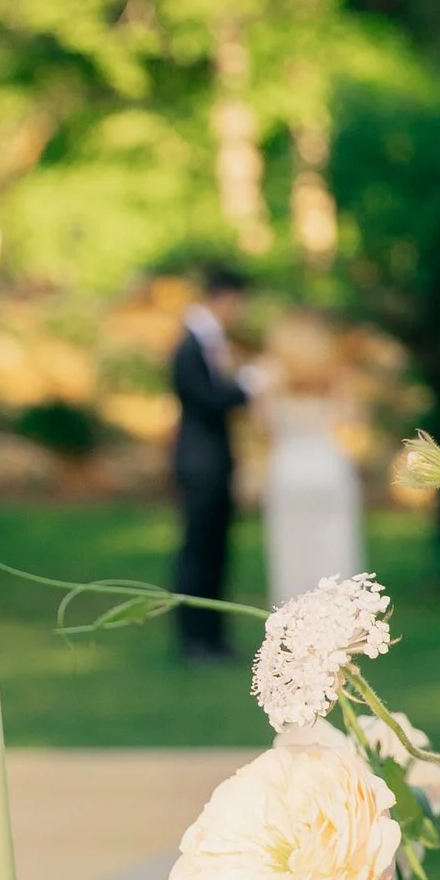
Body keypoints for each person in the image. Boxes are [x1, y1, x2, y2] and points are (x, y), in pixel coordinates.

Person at [169, 264, 252, 661]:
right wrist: (249, 386)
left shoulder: (206, 341)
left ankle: (213, 636)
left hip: (215, 462)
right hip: (200, 463)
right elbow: (206, 399)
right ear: (225, 298)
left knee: (216, 552)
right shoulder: (188, 345)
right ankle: (194, 638)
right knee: (198, 552)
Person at [255, 310, 367, 604]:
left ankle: (295, 618)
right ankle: (339, 615)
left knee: (291, 550)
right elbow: (352, 420)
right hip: (327, 463)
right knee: (335, 547)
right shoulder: (335, 374)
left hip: (288, 466)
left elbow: (263, 426)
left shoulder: (269, 377)